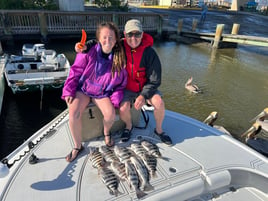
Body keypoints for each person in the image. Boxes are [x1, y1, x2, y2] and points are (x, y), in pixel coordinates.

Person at [75, 19, 172, 145]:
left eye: (137, 34)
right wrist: (85, 46)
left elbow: (155, 80)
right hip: (128, 87)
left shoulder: (150, 53)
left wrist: (143, 95)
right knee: (123, 108)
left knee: (159, 103)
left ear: (142, 35)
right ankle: (128, 126)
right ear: (125, 35)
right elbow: (100, 43)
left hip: (146, 88)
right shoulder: (119, 46)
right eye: (130, 34)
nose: (134, 38)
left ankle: (159, 130)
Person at [62, 22, 127, 162]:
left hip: (102, 93)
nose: (107, 40)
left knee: (110, 115)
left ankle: (106, 132)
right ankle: (78, 146)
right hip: (84, 89)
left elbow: (121, 84)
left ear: (116, 40)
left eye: (111, 37)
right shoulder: (88, 51)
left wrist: (115, 98)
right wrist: (69, 90)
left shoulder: (119, 59)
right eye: (104, 37)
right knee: (73, 113)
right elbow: (75, 70)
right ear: (98, 39)